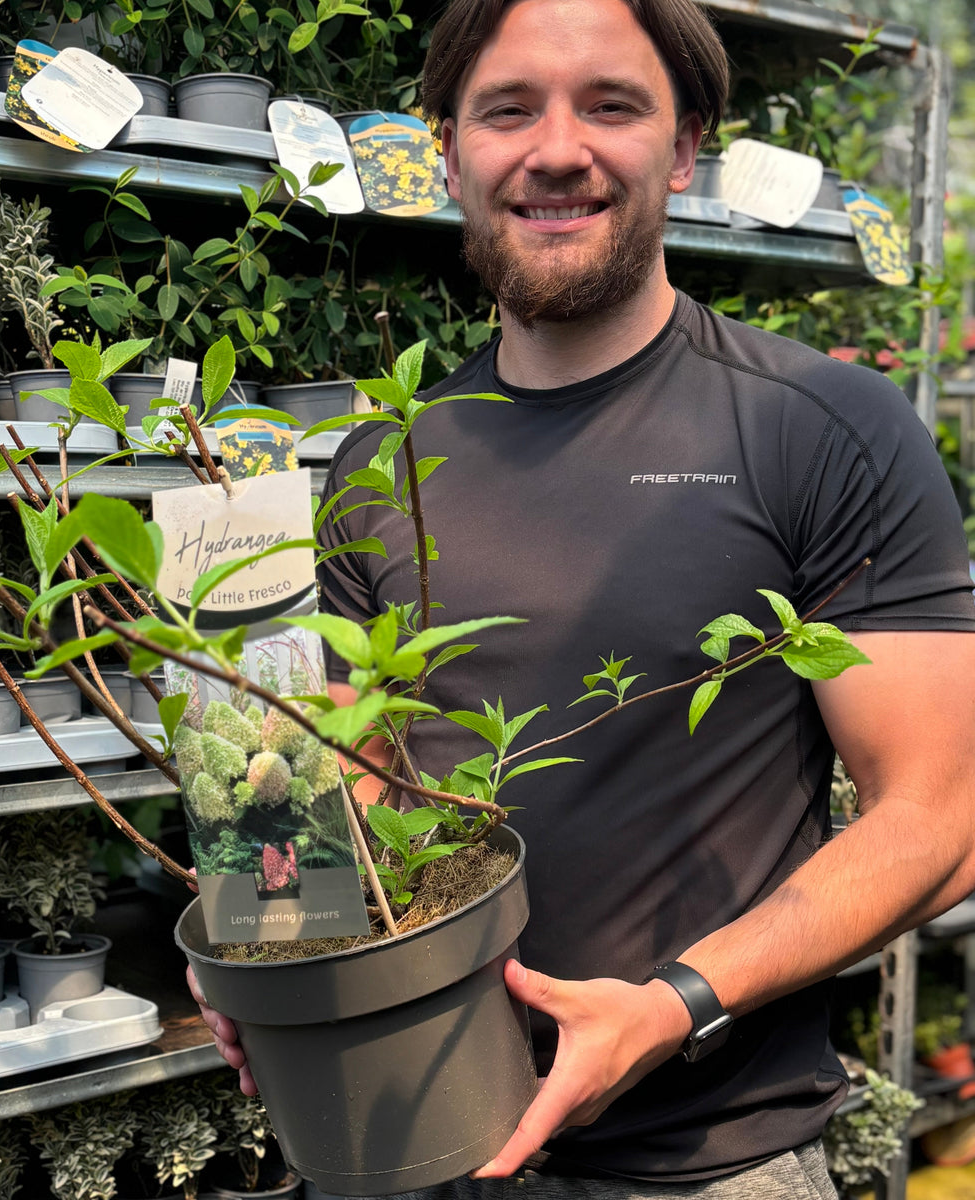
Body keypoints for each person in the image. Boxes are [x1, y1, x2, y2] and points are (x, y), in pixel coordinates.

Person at [188, 0, 975, 1194]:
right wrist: (264, 936)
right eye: (508, 108)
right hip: (405, 1136)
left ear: (685, 143)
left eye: (612, 104)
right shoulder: (382, 463)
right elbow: (344, 784)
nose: (558, 149)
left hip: (706, 1162)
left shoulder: (818, 431)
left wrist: (677, 1003)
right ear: (447, 148)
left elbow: (940, 818)